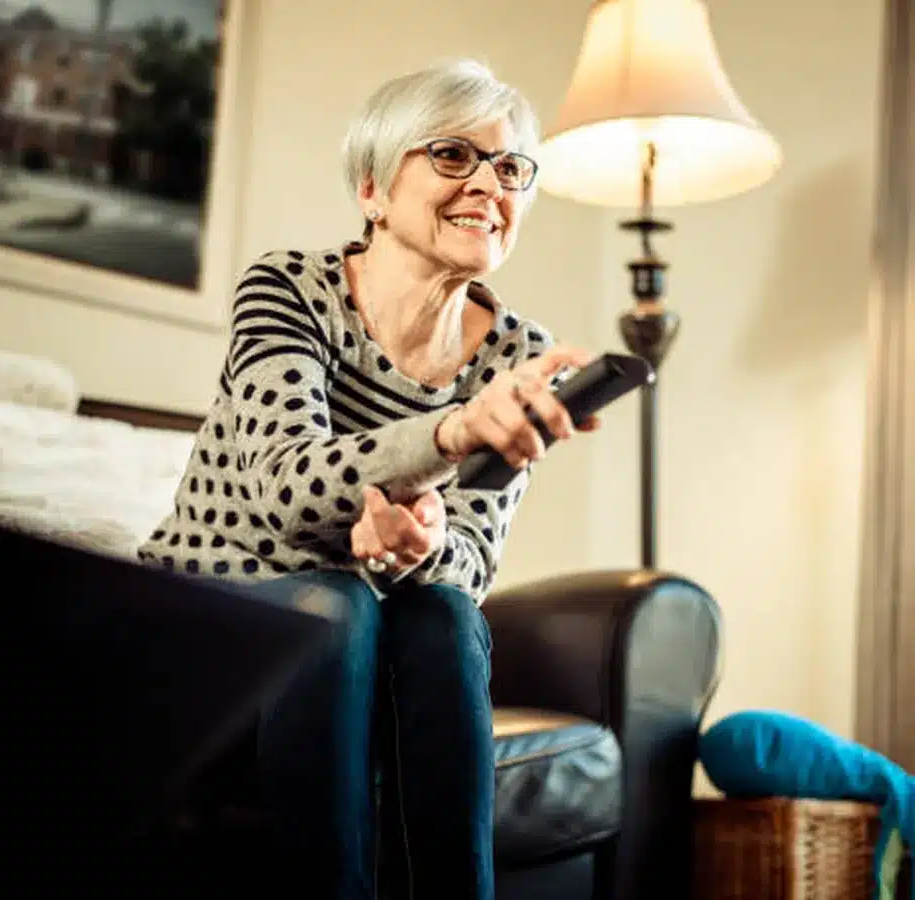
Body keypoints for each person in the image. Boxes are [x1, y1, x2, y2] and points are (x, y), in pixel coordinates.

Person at [138, 58, 599, 900]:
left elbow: (471, 563)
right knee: (335, 599)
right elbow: (287, 487)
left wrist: (421, 547)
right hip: (216, 631)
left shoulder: (518, 354)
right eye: (453, 155)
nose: (488, 185)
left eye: (510, 169)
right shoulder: (288, 289)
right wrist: (455, 431)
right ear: (373, 190)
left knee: (445, 614)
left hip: (377, 652)